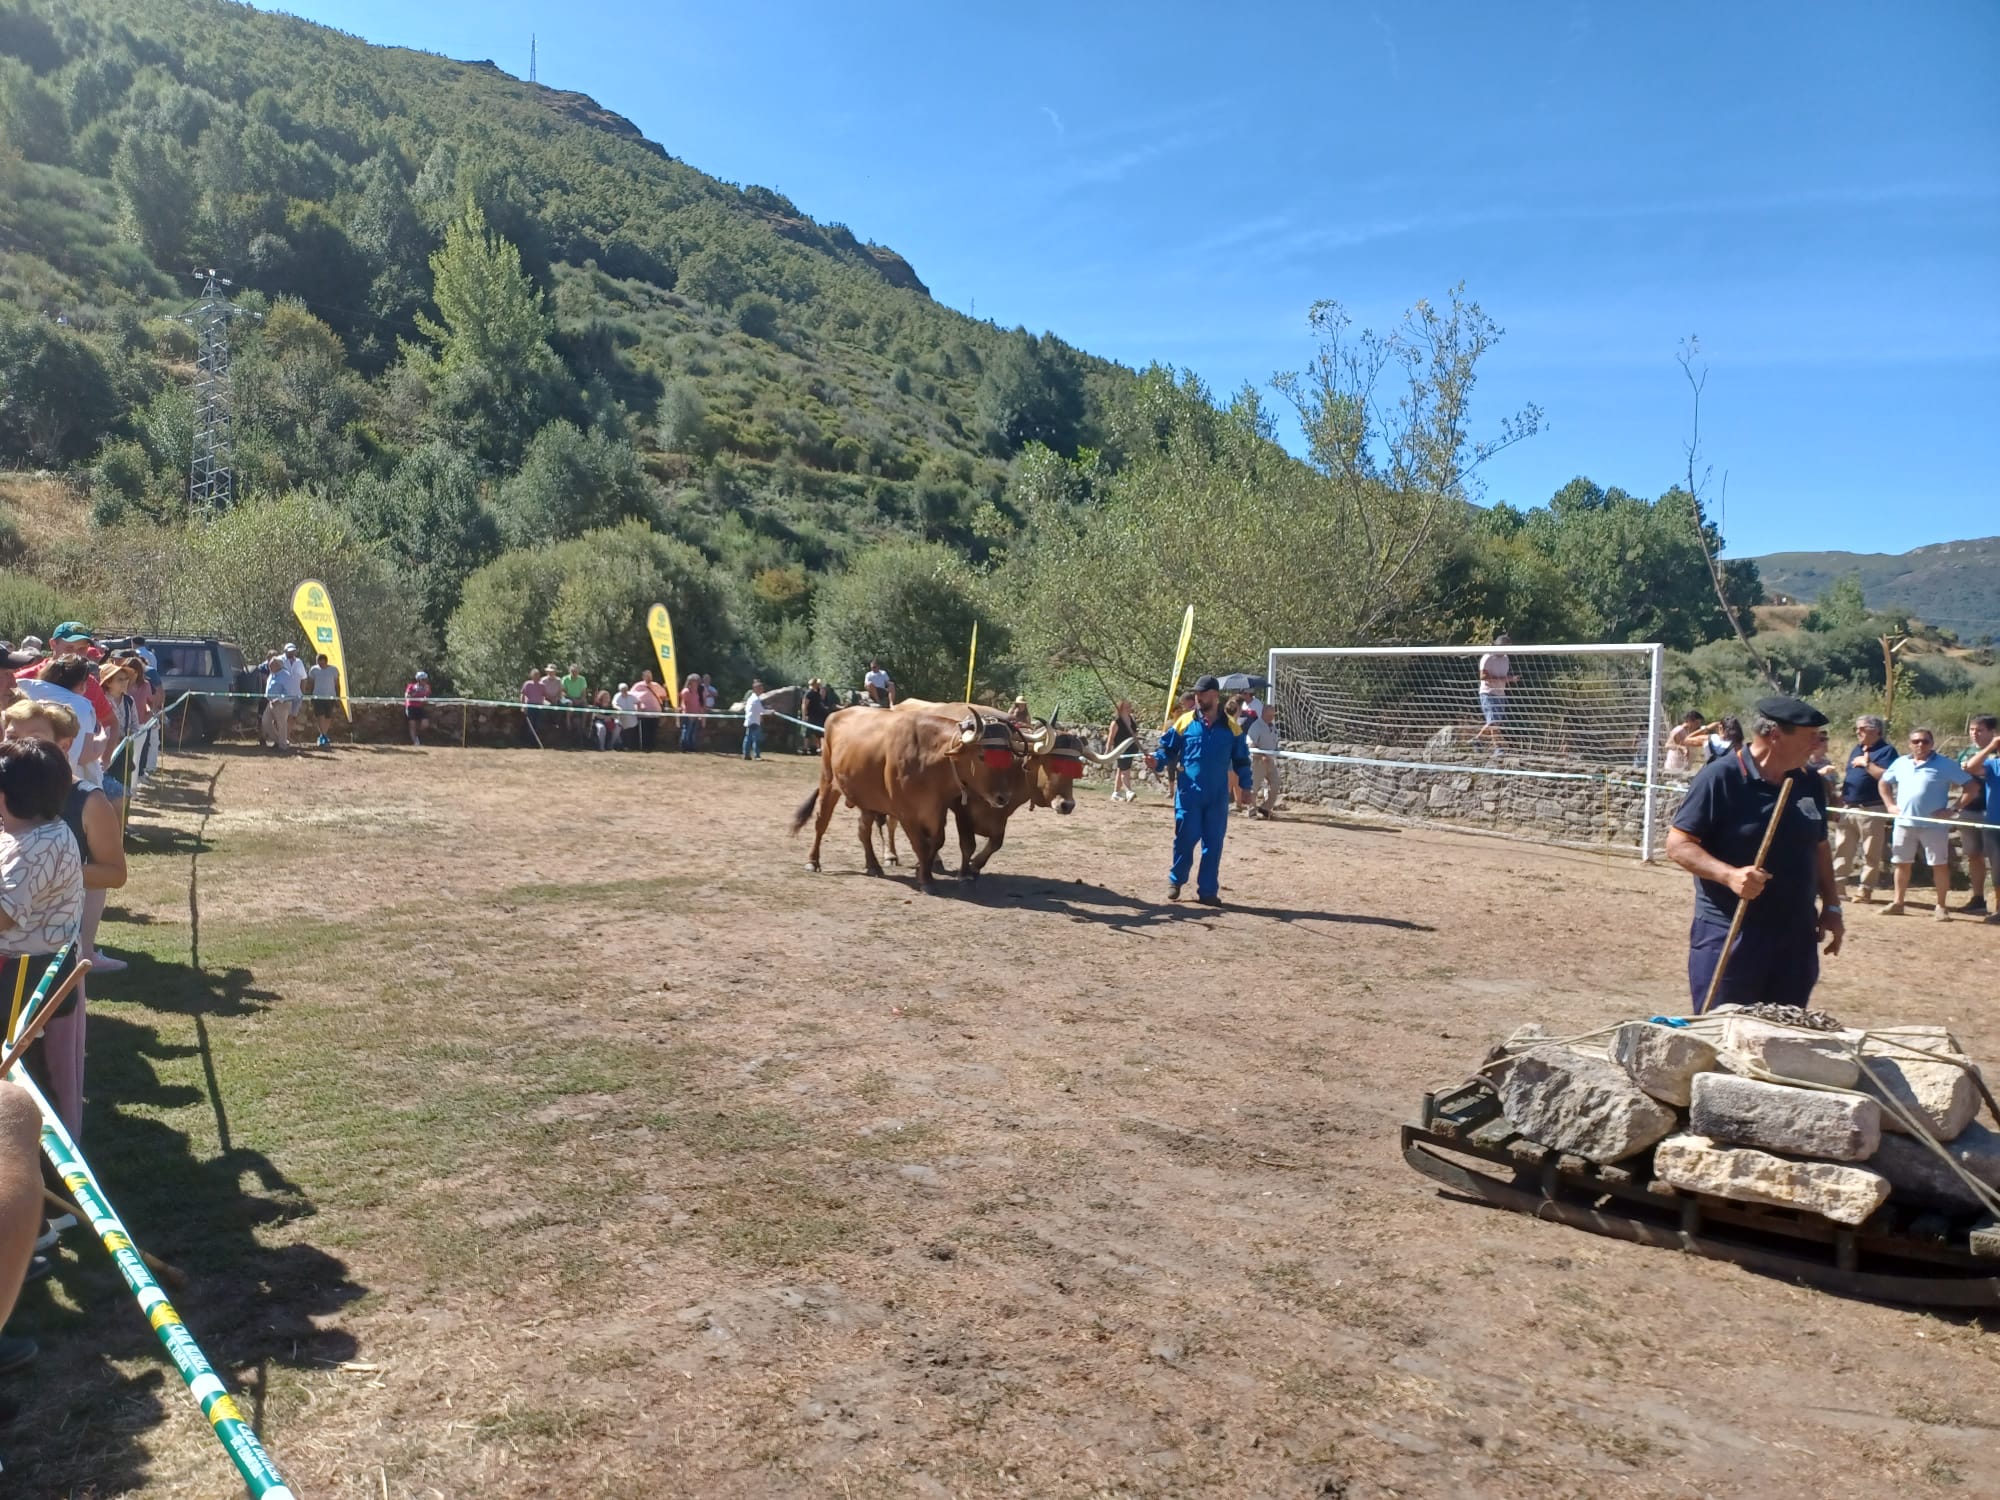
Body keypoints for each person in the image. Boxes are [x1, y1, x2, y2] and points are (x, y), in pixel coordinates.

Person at [1666, 696, 1842, 1009]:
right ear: (1775, 735)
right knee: (1721, 1032)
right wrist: (1729, 875)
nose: (1818, 744)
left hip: (1796, 936)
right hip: (1732, 931)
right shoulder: (1721, 777)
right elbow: (1678, 844)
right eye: (1810, 736)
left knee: (1785, 1035)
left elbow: (1819, 846)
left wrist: (1832, 905)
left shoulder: (1808, 782)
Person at [3, 700, 123, 1126]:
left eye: (24, 739)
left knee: (43, 1074)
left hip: (38, 965)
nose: (10, 745)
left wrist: (56, 877)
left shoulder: (79, 806)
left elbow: (115, 872)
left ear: (62, 745)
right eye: (8, 736)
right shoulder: (21, 815)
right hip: (27, 957)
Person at [1148, 675, 1253, 906]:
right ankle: (1176, 880)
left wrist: (1246, 786)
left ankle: (1207, 891)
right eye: (1196, 694)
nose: (1197, 698)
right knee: (1185, 839)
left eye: (1201, 694)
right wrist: (1156, 760)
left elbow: (1242, 760)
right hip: (1189, 794)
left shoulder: (1232, 728)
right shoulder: (1185, 722)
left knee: (1213, 844)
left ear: (1214, 696)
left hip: (1217, 796)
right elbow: (1167, 749)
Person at [1879, 727, 1972, 920]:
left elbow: (1971, 787)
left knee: (1939, 865)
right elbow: (1884, 782)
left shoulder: (1945, 764)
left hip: (1933, 825)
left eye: (1925, 741)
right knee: (1901, 863)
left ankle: (1941, 906)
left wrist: (1952, 809)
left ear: (1932, 743)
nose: (1920, 745)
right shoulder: (1901, 763)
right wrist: (1890, 805)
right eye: (1916, 741)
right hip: (1904, 822)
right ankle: (1898, 902)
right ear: (1909, 743)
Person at [1832, 714, 1896, 902]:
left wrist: (1866, 764)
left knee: (1871, 853)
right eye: (1856, 728)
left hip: (1871, 808)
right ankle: (1837, 888)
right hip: (1849, 807)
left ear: (1876, 730)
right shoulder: (1857, 749)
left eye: (1862, 728)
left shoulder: (1887, 751)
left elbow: (1887, 777)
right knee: (1842, 850)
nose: (1857, 732)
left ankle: (1865, 890)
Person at [1962, 717, 2000, 926]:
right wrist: (1991, 747)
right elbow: (1970, 768)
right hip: (1994, 824)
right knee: (1997, 869)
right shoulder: (1994, 764)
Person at [1472, 633, 1515, 753]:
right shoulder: (1487, 657)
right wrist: (1502, 680)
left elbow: (1503, 675)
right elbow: (1483, 676)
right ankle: (1498, 748)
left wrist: (1510, 679)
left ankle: (1477, 739)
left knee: (1494, 722)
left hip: (1500, 693)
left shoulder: (1506, 659)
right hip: (1488, 693)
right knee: (1493, 721)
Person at [1243, 696, 1280, 819]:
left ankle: (1265, 808)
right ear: (1264, 713)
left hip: (1270, 761)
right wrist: (1262, 755)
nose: (1272, 717)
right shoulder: (1256, 726)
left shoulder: (1272, 726)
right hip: (1258, 761)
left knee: (1275, 784)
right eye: (1270, 715)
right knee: (1254, 787)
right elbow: (1250, 743)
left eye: (1273, 715)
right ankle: (1251, 811)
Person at [1662, 711, 1714, 776]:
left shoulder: (1689, 732)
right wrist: (1681, 748)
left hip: (1683, 766)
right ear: (1690, 721)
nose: (1698, 725)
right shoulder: (1678, 730)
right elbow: (1667, 745)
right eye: (1697, 723)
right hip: (1673, 767)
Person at [260, 654, 295, 752]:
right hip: (270, 702)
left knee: (281, 724)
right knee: (265, 722)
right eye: (269, 665)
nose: (269, 667)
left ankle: (283, 746)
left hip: (281, 704)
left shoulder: (286, 675)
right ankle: (279, 741)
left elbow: (289, 692)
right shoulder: (272, 674)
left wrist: (278, 699)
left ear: (278, 665)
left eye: (271, 665)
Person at [1107, 700, 1140, 803]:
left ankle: (1115, 793)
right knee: (1125, 771)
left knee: (1121, 770)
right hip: (1121, 749)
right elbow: (1111, 738)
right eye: (1127, 707)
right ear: (1121, 708)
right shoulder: (1116, 722)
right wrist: (1108, 750)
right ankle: (1128, 792)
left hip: (1131, 748)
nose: (1129, 708)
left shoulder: (1131, 719)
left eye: (1130, 706)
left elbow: (1134, 735)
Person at [307, 653, 341, 747]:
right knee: (320, 716)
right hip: (318, 697)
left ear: (326, 661)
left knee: (328, 717)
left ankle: (323, 736)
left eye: (322, 663)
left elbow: (337, 684)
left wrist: (338, 697)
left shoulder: (333, 670)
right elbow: (311, 683)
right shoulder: (314, 670)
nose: (320, 665)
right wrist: (311, 696)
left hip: (330, 697)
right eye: (318, 663)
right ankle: (323, 736)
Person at [632, 671, 664, 752]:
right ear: (643, 677)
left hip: (655, 713)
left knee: (653, 730)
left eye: (650, 676)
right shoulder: (637, 686)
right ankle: (644, 747)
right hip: (644, 713)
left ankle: (652, 747)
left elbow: (663, 695)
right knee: (645, 730)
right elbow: (632, 697)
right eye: (647, 676)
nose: (649, 678)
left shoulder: (656, 685)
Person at [519, 666, 549, 746]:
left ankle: (536, 742)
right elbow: (523, 695)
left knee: (538, 724)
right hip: (530, 706)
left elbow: (545, 695)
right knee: (530, 724)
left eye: (538, 675)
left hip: (539, 706)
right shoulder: (527, 684)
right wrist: (523, 705)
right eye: (535, 675)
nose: (536, 676)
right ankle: (529, 742)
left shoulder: (542, 685)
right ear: (531, 675)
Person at [561, 663, 590, 745]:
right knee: (569, 703)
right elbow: (563, 692)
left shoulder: (582, 679)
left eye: (576, 671)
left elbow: (584, 693)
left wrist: (580, 700)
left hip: (579, 699)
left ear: (578, 672)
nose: (574, 673)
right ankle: (568, 723)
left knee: (586, 706)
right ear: (570, 671)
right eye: (573, 671)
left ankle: (584, 726)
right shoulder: (565, 679)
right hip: (568, 698)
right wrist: (573, 699)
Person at [801, 678, 831, 754]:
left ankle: (819, 749)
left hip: (818, 715)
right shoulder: (809, 693)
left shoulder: (817, 693)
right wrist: (804, 715)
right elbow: (805, 704)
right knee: (808, 733)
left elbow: (821, 700)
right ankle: (805, 748)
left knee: (819, 733)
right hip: (811, 715)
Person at [404, 670, 432, 747]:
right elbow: (407, 696)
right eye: (423, 679)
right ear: (418, 680)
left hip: (420, 707)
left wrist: (425, 699)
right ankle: (416, 742)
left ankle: (416, 735)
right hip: (411, 707)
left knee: (425, 724)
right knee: (412, 725)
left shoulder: (427, 687)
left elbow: (427, 696)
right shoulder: (411, 686)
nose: (425, 681)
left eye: (426, 679)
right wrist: (415, 693)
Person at [742, 679, 768, 760]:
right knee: (756, 738)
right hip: (754, 721)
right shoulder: (756, 699)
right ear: (756, 689)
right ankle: (756, 755)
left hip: (750, 720)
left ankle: (746, 754)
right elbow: (762, 711)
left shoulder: (751, 698)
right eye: (760, 688)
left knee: (748, 738)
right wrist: (771, 711)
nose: (762, 690)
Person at [678, 673, 704, 751]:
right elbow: (682, 703)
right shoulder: (686, 691)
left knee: (693, 732)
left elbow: (699, 703)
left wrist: (700, 714)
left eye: (697, 681)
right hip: (687, 715)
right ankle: (684, 746)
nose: (696, 683)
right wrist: (686, 712)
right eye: (694, 681)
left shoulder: (699, 692)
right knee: (686, 730)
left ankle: (691, 746)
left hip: (695, 715)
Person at [611, 683, 640, 750]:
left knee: (631, 733)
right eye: (622, 689)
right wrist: (618, 708)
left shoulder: (632, 696)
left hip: (632, 719)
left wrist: (638, 711)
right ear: (619, 690)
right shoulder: (617, 696)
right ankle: (622, 746)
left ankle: (631, 747)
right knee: (622, 733)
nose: (624, 691)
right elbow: (614, 704)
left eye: (625, 689)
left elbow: (638, 702)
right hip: (621, 718)